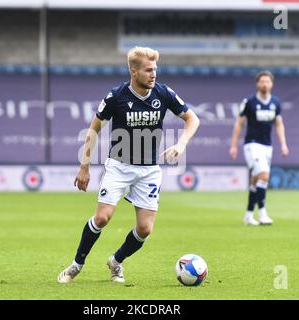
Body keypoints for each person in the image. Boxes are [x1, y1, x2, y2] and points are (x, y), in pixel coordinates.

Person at [58, 46, 200, 283]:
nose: (153, 74)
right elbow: (93, 129)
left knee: (145, 229)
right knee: (102, 218)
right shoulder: (116, 96)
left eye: (155, 69)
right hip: (119, 167)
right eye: (148, 70)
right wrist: (84, 166)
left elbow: (192, 119)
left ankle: (116, 262)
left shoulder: (163, 93)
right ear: (134, 72)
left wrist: (181, 144)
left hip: (149, 171)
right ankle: (76, 265)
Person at [229, 70, 289, 226]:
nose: (264, 84)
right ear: (257, 84)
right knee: (264, 175)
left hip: (267, 146)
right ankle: (262, 214)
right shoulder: (249, 103)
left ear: (272, 84)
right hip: (252, 144)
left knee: (256, 181)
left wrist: (283, 144)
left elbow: (279, 124)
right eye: (262, 81)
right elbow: (239, 124)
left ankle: (248, 215)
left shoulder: (276, 103)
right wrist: (234, 145)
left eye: (267, 81)